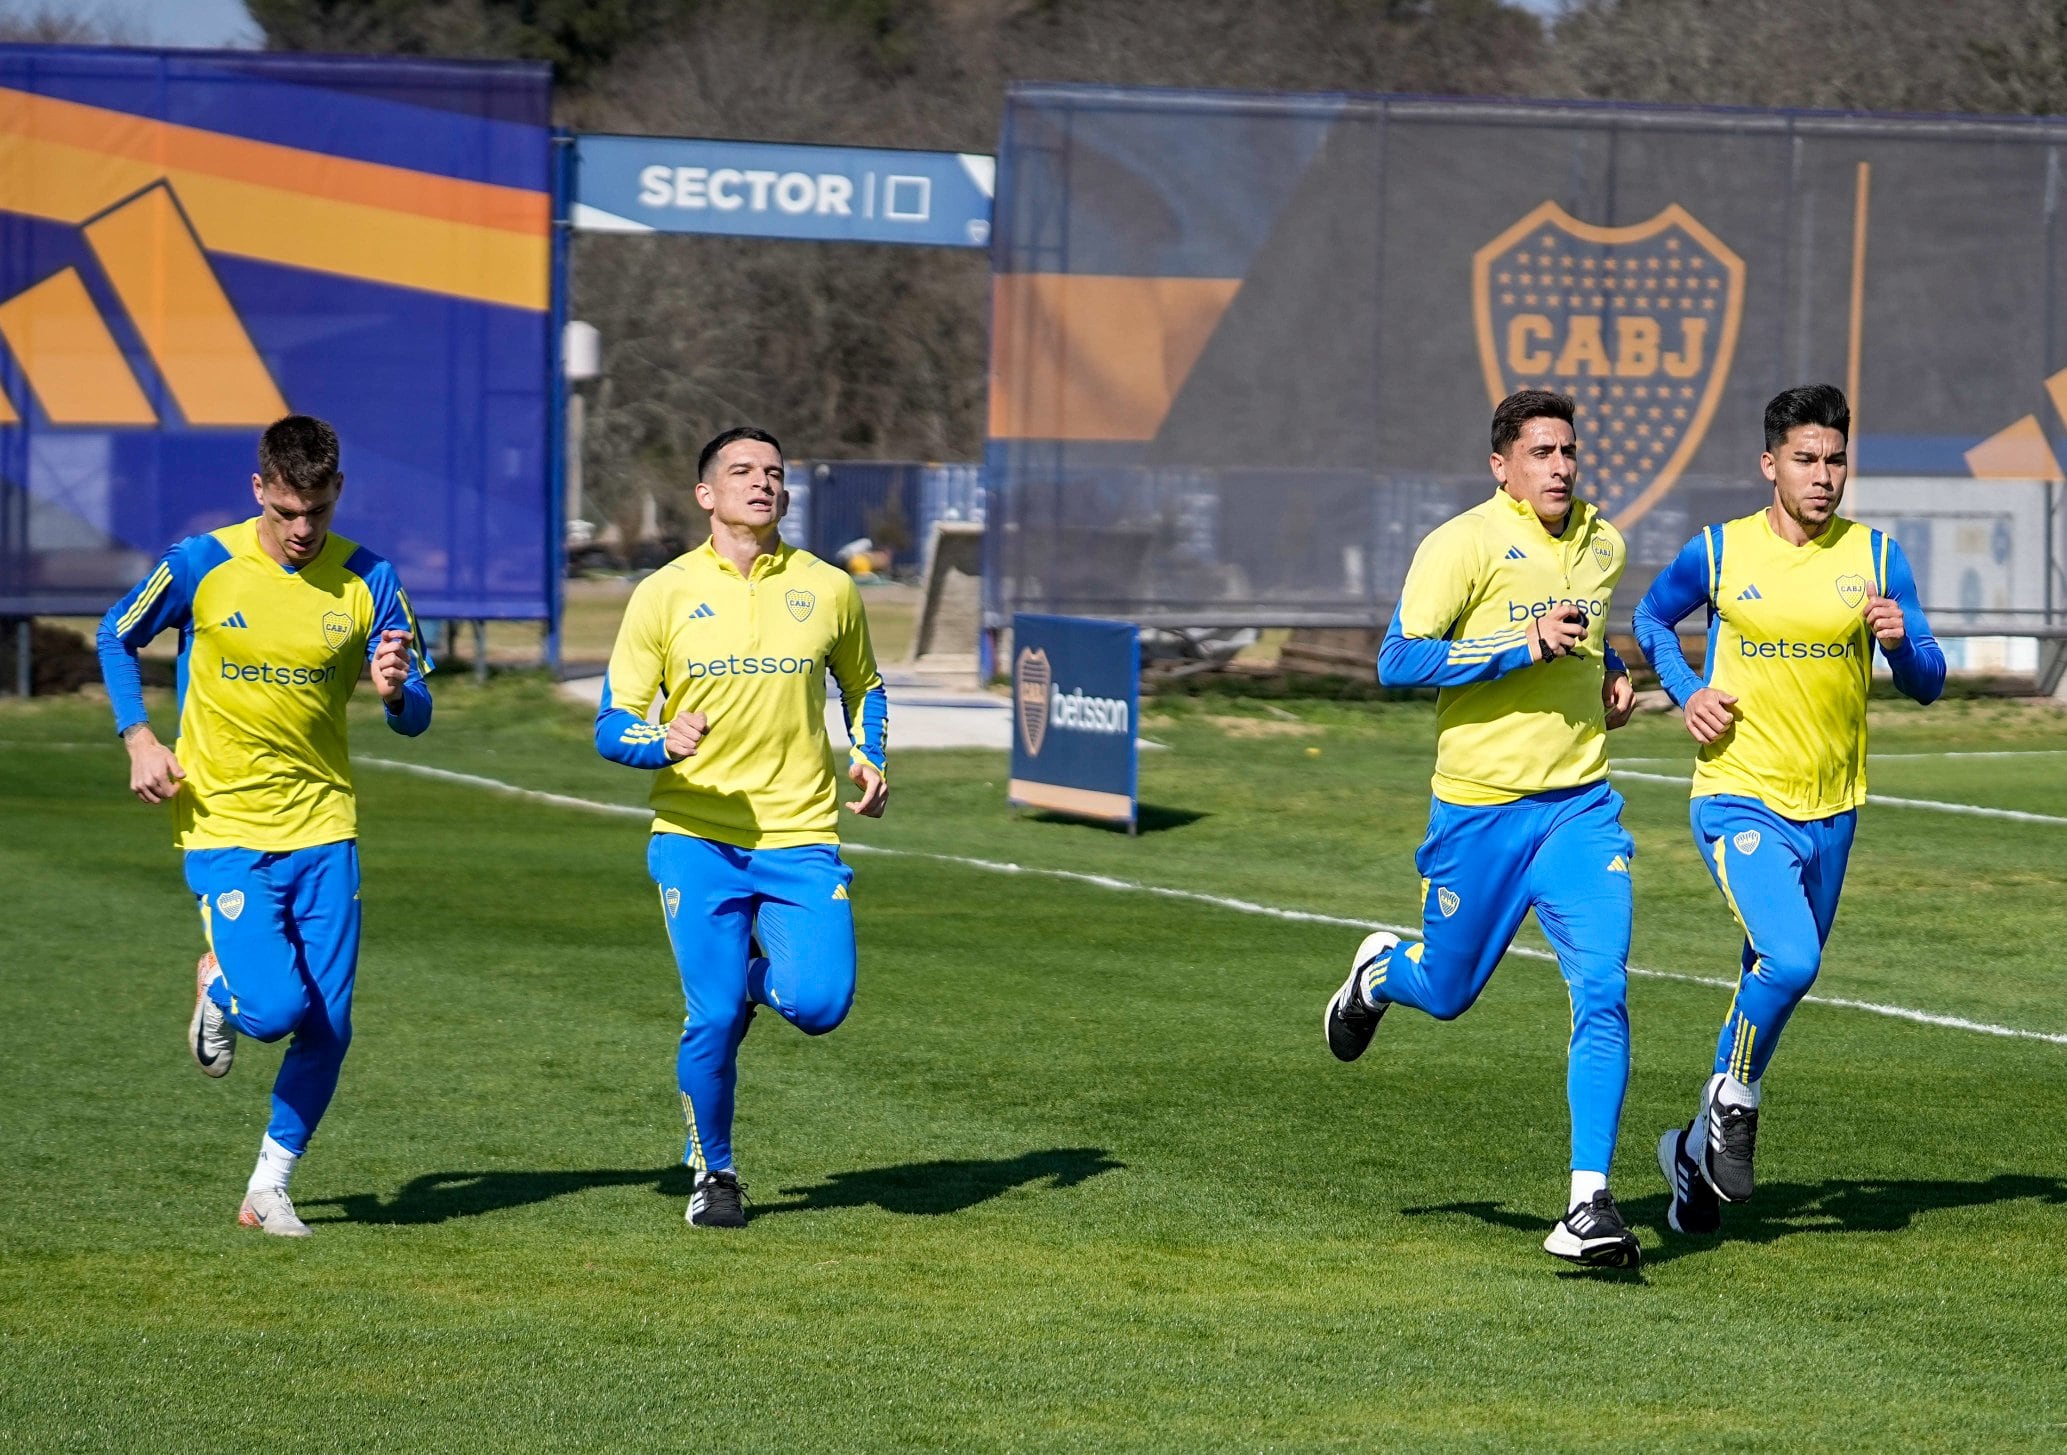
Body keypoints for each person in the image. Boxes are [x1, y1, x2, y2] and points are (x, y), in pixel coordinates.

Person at [1323, 388, 1642, 1268]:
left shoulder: (1602, 542)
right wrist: (1518, 644)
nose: (1561, 466)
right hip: (1479, 813)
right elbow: (1398, 657)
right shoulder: (1458, 543)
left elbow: (1590, 630)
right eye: (1541, 452)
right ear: (1501, 465)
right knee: (1449, 991)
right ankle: (1379, 975)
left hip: (1579, 809)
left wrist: (1610, 670)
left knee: (1604, 988)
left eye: (1568, 450)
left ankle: (1588, 1203)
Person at [96, 414, 432, 1237]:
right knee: (276, 1007)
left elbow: (416, 713)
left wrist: (394, 691)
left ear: (337, 493)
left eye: (315, 510)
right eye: (285, 511)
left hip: (324, 825)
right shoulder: (201, 564)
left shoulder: (370, 578)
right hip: (223, 822)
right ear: (259, 491)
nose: (301, 530)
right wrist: (140, 736)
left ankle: (268, 1187)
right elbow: (115, 633)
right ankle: (218, 981)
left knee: (330, 1024)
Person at [1633, 384, 1944, 1236]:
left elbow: (1928, 681)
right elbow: (1652, 615)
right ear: (1769, 463)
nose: (1822, 475)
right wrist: (1687, 689)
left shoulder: (1877, 559)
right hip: (1737, 794)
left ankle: (1691, 1159)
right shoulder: (1718, 551)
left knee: (1768, 978)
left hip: (1832, 810)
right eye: (1805, 459)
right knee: (1791, 957)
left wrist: (1901, 645)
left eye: (1835, 459)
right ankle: (1731, 1096)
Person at [595, 426, 887, 1229]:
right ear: (705, 494)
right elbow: (610, 723)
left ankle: (753, 976)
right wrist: (662, 739)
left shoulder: (829, 588)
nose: (760, 482)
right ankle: (713, 1173)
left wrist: (869, 754)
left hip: (799, 832)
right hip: (695, 834)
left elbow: (865, 685)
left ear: (785, 495)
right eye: (741, 471)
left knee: (821, 1002)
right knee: (713, 1016)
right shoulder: (660, 593)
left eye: (773, 473)